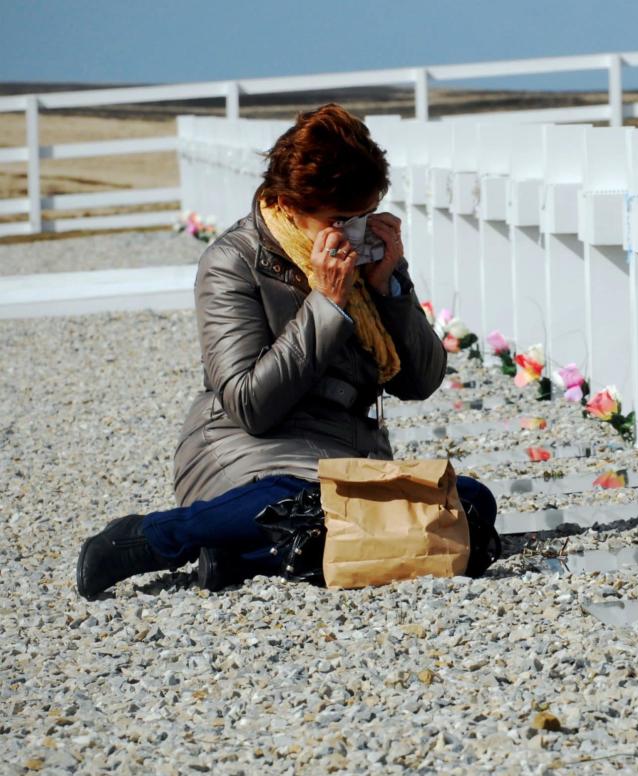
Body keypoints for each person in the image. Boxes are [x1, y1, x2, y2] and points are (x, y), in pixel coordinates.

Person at [76, 104, 496, 598]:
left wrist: (390, 292)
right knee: (306, 504)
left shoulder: (362, 259)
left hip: (342, 448)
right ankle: (152, 536)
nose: (357, 230)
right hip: (247, 449)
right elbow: (251, 404)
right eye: (342, 218)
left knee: (469, 500)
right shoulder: (233, 262)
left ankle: (238, 552)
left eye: (367, 214)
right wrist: (326, 304)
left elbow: (420, 382)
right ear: (290, 203)